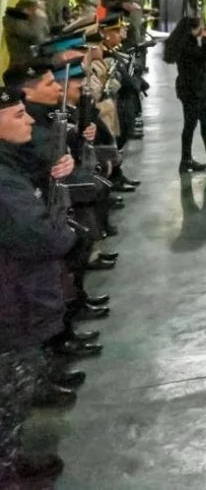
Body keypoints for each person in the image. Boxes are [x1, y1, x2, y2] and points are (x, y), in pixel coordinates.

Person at [0, 85, 74, 484]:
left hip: (14, 297)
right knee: (7, 399)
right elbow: (39, 235)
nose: (28, 118)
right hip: (10, 305)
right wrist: (65, 236)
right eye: (16, 115)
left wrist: (50, 170)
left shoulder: (10, 165)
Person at [163, 16, 206, 174]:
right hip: (192, 91)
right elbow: (205, 56)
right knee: (190, 124)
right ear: (193, 29)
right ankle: (186, 159)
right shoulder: (187, 44)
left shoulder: (186, 41)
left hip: (195, 90)